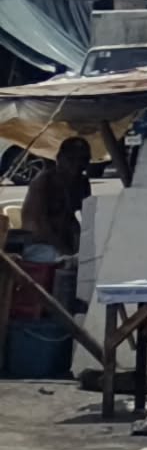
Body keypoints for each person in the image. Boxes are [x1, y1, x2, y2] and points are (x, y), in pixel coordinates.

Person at [4, 133, 93, 380]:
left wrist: (82, 244)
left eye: (83, 160)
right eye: (73, 159)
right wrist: (64, 249)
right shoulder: (44, 182)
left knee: (85, 266)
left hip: (64, 243)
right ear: (60, 158)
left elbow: (83, 216)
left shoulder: (81, 183)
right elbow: (37, 225)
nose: (78, 166)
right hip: (39, 245)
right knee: (61, 267)